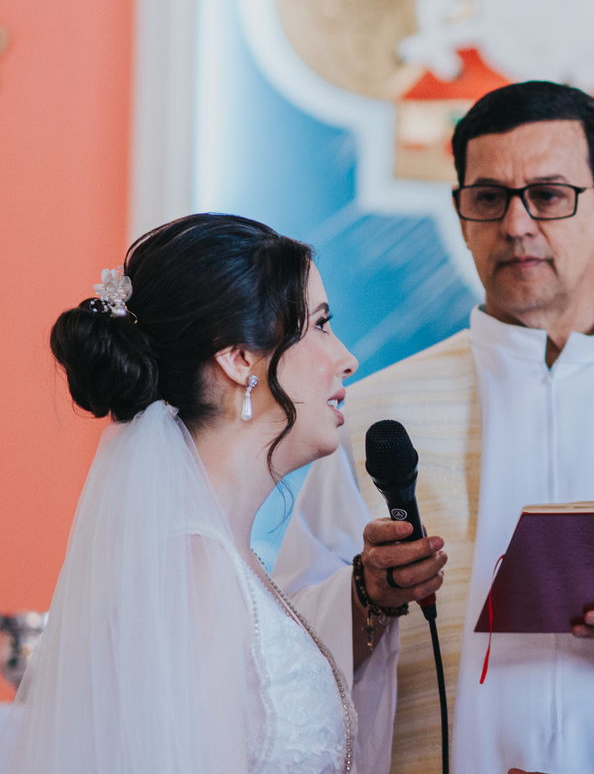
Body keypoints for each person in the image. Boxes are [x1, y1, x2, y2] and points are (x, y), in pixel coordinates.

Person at [272, 81, 594, 774]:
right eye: (489, 198)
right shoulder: (377, 413)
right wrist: (364, 596)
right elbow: (287, 641)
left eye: (550, 195)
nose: (517, 223)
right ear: (461, 215)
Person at [0, 214, 445, 774]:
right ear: (238, 359)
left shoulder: (218, 553)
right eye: (322, 325)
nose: (347, 357)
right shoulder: (195, 565)